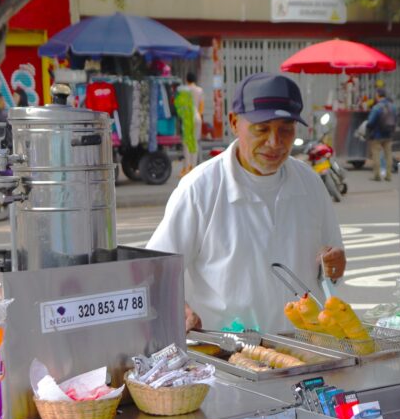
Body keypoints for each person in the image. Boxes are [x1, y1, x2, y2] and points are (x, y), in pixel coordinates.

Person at [147, 72, 346, 332]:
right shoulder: (200, 189)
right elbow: (155, 273)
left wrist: (333, 268)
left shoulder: (310, 183)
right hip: (227, 356)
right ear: (234, 122)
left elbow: (330, 265)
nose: (274, 143)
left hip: (303, 350)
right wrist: (178, 308)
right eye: (261, 129)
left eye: (285, 130)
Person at [176, 73, 204, 177]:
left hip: (187, 118)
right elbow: (201, 106)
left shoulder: (182, 90)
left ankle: (186, 168)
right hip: (197, 117)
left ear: (186, 80)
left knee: (186, 144)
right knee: (195, 142)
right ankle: (194, 167)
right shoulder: (200, 90)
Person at [365, 87, 397, 182]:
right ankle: (388, 175)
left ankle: (377, 175)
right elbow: (396, 119)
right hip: (388, 135)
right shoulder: (392, 106)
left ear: (378, 95)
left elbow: (370, 122)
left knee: (376, 155)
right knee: (388, 156)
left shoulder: (377, 107)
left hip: (377, 136)